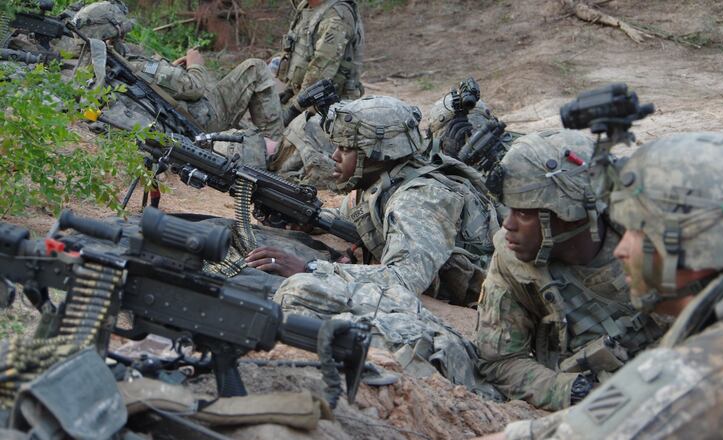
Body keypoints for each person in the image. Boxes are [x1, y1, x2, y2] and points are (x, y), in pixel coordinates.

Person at [481, 132, 723, 439]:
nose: (622, 249)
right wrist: (569, 391)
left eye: (637, 232)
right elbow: (502, 362)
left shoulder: (715, 363)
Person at [247, 95, 500, 307]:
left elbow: (403, 280)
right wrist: (300, 215)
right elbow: (346, 218)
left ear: (378, 154)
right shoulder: (380, 182)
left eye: (346, 149)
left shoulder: (418, 200)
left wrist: (310, 268)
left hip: (480, 299)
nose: (334, 156)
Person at [474, 129, 665, 411]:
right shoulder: (513, 262)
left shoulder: (651, 235)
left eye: (525, 213)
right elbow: (499, 360)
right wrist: (568, 391)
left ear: (568, 213)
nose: (507, 225)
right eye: (510, 210)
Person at [65, 1, 284, 140]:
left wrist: (171, 68)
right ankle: (272, 148)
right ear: (113, 36)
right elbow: (195, 88)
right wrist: (196, 63)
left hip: (178, 117)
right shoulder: (132, 66)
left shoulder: (93, 69)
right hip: (202, 120)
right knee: (255, 67)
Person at [275, 0, 364, 107]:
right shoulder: (306, 6)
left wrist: (294, 108)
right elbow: (300, 55)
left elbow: (321, 70)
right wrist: (290, 90)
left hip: (329, 106)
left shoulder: (337, 16)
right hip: (302, 95)